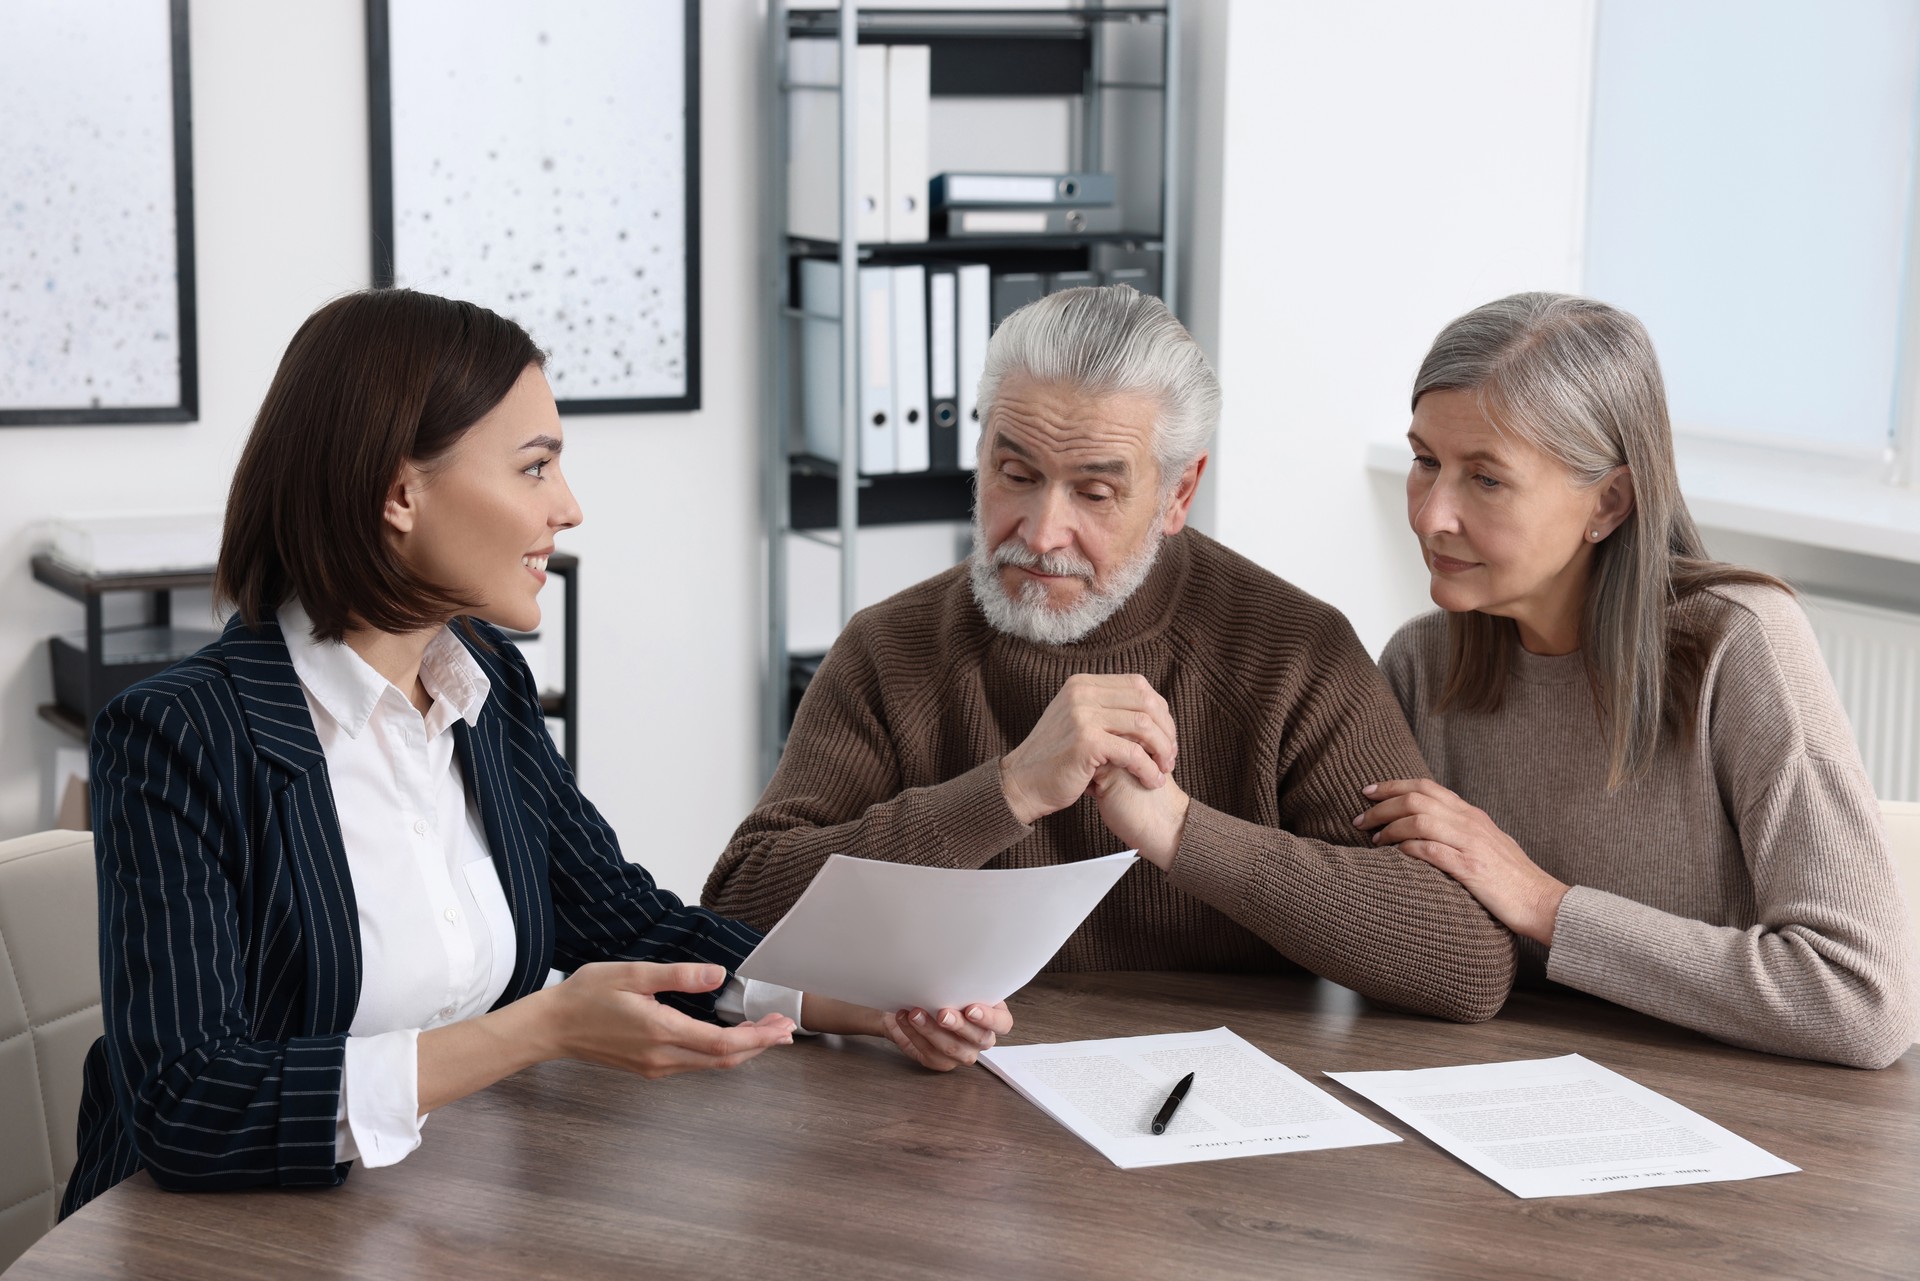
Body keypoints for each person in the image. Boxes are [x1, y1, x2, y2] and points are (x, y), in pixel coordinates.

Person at [63, 289, 1010, 1216]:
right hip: (214, 1239)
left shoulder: (485, 685)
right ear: (400, 491)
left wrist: (869, 1003)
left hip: (442, 1209)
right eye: (533, 467)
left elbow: (626, 921)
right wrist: (539, 1029)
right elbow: (192, 1103)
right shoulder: (181, 736)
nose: (567, 506)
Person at [706, 286, 1516, 1021]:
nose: (1040, 530)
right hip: (948, 1120)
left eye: (1094, 493)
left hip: (1218, 1120)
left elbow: (1465, 964)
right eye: (1014, 473)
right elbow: (735, 909)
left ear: (1179, 494)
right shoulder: (891, 648)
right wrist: (1009, 788)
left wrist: (1180, 831)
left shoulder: (1292, 652)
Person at [1358, 292, 1918, 1068]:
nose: (1429, 516)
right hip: (1496, 1106)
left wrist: (1545, 903)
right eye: (1426, 462)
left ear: (1609, 502)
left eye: (1485, 479)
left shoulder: (1741, 644)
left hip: (1740, 1130)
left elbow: (1862, 1000)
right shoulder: (1420, 666)